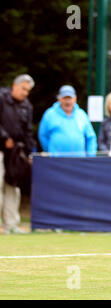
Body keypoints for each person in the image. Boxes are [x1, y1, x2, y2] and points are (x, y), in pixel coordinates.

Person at [0, 74, 35, 234]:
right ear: (15, 85)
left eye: (28, 90)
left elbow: (28, 130)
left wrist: (29, 153)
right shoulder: (1, 98)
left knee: (13, 187)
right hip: (1, 148)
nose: (25, 93)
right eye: (23, 89)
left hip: (16, 153)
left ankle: (11, 224)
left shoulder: (26, 106)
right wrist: (4, 137)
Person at [38, 85, 97, 156]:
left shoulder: (82, 114)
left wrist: (91, 155)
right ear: (59, 99)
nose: (67, 101)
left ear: (75, 99)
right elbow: (43, 135)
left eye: (70, 98)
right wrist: (51, 152)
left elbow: (91, 137)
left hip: (79, 160)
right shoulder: (50, 114)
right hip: (56, 161)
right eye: (65, 98)